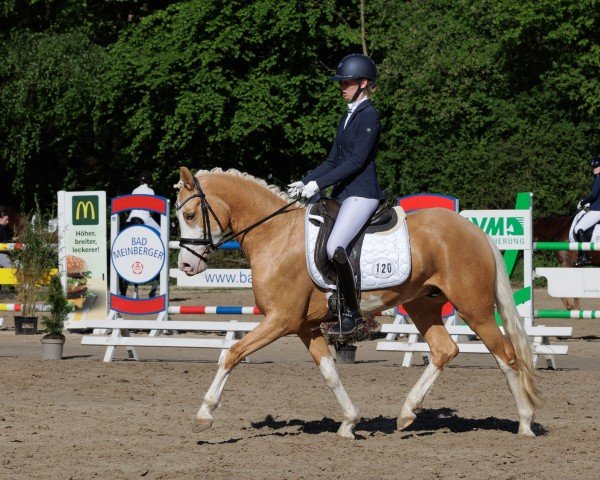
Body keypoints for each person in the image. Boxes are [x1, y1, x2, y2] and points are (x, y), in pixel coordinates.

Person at [287, 53, 385, 334]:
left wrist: (318, 186)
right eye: (341, 83)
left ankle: (352, 312)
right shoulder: (347, 115)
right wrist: (304, 181)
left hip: (363, 194)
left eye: (348, 82)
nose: (341, 87)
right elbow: (333, 161)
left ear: (364, 83)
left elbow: (355, 162)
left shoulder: (369, 116)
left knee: (334, 247)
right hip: (344, 194)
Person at [121, 171, 160, 297]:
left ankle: (133, 290)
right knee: (162, 234)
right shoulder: (150, 191)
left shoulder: (134, 190)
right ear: (149, 181)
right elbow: (152, 210)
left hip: (131, 218)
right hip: (145, 218)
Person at [573, 155, 600, 267]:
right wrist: (590, 203)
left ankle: (585, 257)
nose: (593, 168)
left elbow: (593, 194)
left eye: (596, 166)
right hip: (596, 208)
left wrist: (583, 202)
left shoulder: (599, 178)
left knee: (578, 228)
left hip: (597, 210)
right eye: (593, 167)